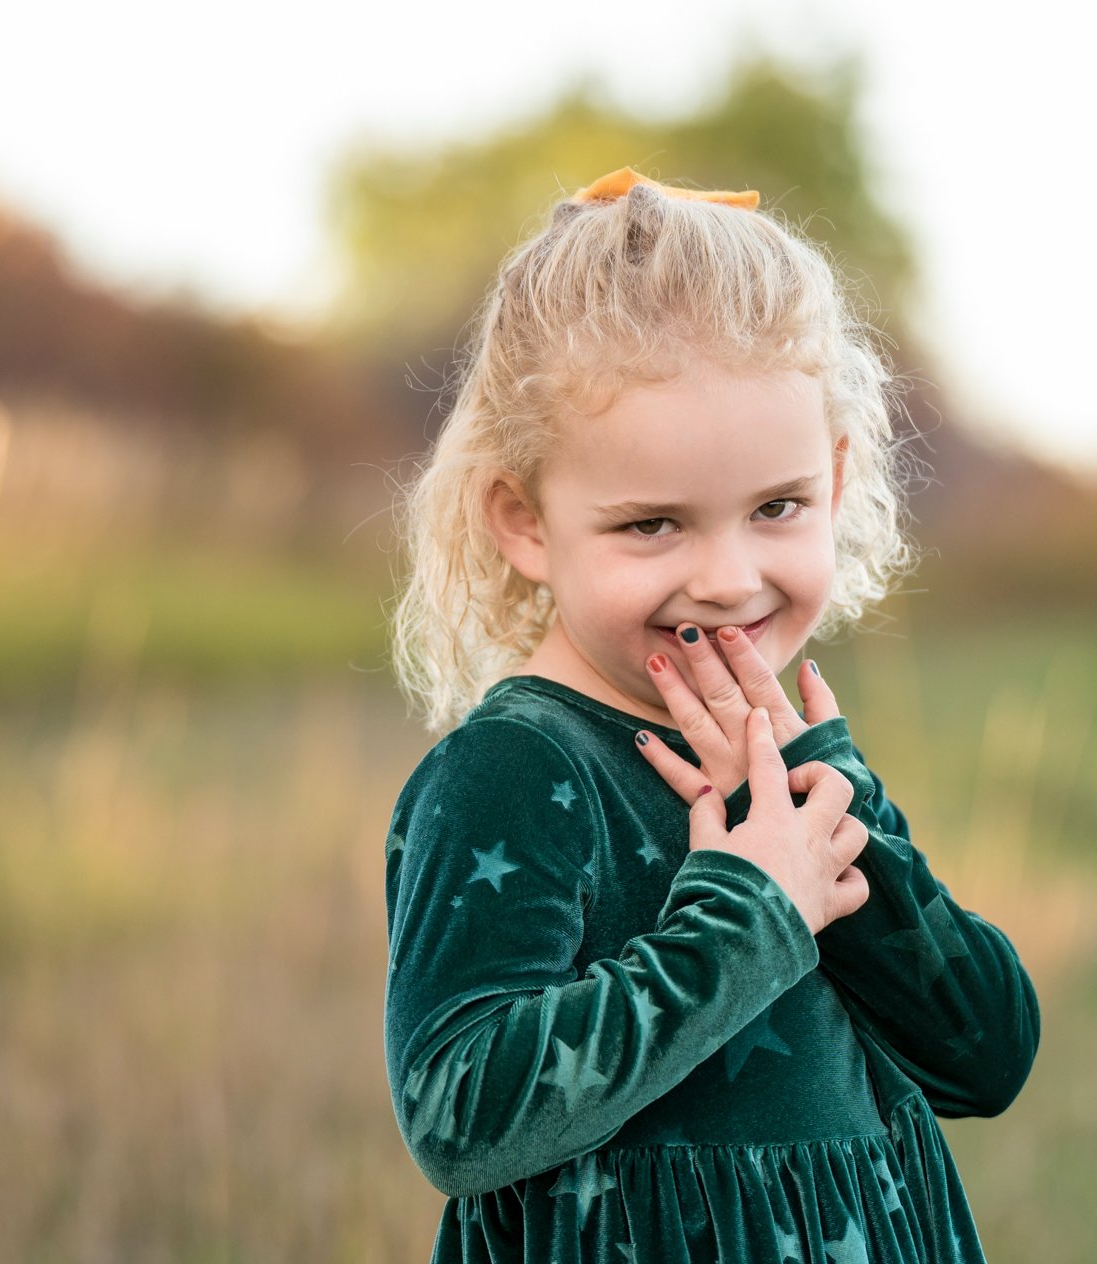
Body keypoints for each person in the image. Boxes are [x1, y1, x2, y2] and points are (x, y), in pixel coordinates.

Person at [381, 165, 1040, 1263]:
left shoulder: (789, 759)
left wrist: (839, 807)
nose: (729, 578)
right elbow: (458, 1114)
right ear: (524, 519)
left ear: (833, 483)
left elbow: (985, 1053)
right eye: (652, 525)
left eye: (776, 508)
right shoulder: (515, 769)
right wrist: (745, 916)